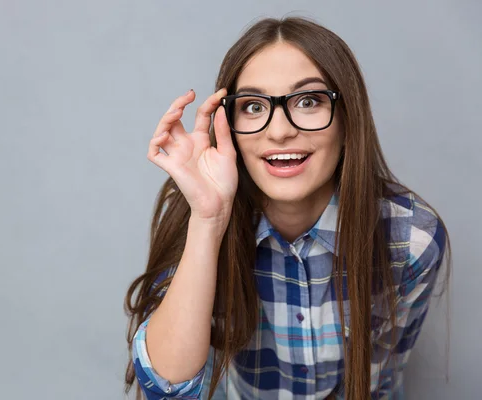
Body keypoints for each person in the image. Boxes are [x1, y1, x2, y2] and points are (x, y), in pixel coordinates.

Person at [124, 16, 450, 400]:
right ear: (229, 125)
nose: (279, 131)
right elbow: (168, 390)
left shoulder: (411, 239)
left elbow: (373, 385)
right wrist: (208, 220)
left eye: (308, 101)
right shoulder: (195, 214)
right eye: (253, 106)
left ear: (348, 121)